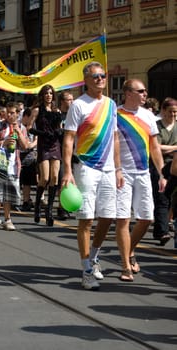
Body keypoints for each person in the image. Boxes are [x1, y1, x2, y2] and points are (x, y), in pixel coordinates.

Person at [62, 61, 123, 290]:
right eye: (95, 76)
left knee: (107, 218)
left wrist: (118, 169)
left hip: (108, 169)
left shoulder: (111, 104)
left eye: (103, 76)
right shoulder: (78, 105)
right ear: (86, 80)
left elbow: (115, 138)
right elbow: (68, 139)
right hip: (86, 167)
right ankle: (86, 269)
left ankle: (94, 256)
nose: (100, 79)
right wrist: (68, 170)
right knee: (86, 219)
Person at [116, 79, 166, 281]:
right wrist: (117, 169)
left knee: (146, 218)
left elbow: (154, 146)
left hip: (143, 172)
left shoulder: (148, 116)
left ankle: (130, 250)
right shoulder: (115, 114)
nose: (145, 94)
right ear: (128, 93)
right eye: (141, 91)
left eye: (145, 91)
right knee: (123, 219)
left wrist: (163, 173)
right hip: (122, 173)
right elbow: (112, 144)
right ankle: (126, 265)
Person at [0, 101, 28, 231]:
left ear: (17, 114)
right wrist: (2, 143)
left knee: (9, 194)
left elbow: (25, 146)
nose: (9, 115)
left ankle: (7, 219)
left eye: (12, 113)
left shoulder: (21, 128)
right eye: (8, 113)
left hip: (13, 165)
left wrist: (19, 133)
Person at [30, 84, 62, 226]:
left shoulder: (57, 110)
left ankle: (49, 212)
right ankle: (37, 207)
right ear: (42, 95)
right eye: (46, 93)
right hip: (43, 145)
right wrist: (42, 133)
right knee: (45, 177)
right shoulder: (37, 111)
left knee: (55, 178)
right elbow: (29, 127)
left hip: (55, 145)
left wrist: (59, 132)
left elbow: (60, 128)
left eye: (50, 93)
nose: (48, 95)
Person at [150, 97, 177, 245]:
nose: (173, 115)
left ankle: (164, 227)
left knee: (172, 200)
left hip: (175, 166)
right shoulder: (157, 126)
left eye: (176, 112)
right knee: (162, 198)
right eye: (171, 112)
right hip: (158, 166)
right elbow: (156, 147)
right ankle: (162, 232)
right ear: (163, 111)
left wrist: (169, 149)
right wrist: (175, 148)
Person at [57, 90, 74, 220]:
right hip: (60, 150)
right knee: (63, 179)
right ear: (62, 101)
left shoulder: (74, 115)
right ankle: (61, 207)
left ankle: (70, 205)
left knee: (74, 181)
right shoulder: (57, 115)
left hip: (75, 151)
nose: (72, 102)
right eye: (69, 99)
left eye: (72, 99)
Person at [20, 107, 38, 211]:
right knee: (24, 180)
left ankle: (33, 200)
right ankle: (25, 200)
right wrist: (26, 145)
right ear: (26, 116)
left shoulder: (34, 126)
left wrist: (31, 145)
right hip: (21, 154)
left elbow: (37, 139)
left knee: (32, 179)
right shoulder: (20, 126)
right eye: (30, 117)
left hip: (32, 153)